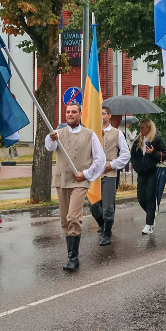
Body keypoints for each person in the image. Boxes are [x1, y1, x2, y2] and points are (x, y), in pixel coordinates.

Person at [45, 102, 105, 271]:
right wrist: (51, 138)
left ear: (80, 114)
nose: (70, 114)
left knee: (73, 217)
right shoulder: (58, 133)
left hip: (79, 182)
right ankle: (71, 254)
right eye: (67, 112)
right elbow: (49, 147)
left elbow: (100, 160)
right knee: (65, 220)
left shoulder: (90, 134)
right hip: (62, 181)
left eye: (73, 112)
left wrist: (85, 174)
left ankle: (73, 257)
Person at [90, 107, 130, 246]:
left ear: (109, 115)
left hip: (109, 174)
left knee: (107, 206)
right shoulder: (92, 133)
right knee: (93, 205)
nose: (101, 116)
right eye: (99, 113)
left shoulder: (117, 133)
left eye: (103, 113)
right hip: (94, 175)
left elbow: (125, 154)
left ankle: (106, 233)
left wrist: (112, 164)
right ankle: (103, 224)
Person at [130, 119, 166, 235]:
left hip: (153, 172)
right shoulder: (138, 141)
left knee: (150, 197)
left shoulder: (156, 140)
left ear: (149, 128)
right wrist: (137, 167)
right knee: (141, 198)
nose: (140, 130)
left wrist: (154, 153)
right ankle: (151, 213)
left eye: (143, 128)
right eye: (140, 128)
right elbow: (134, 156)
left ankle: (149, 224)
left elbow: (165, 154)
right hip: (142, 173)